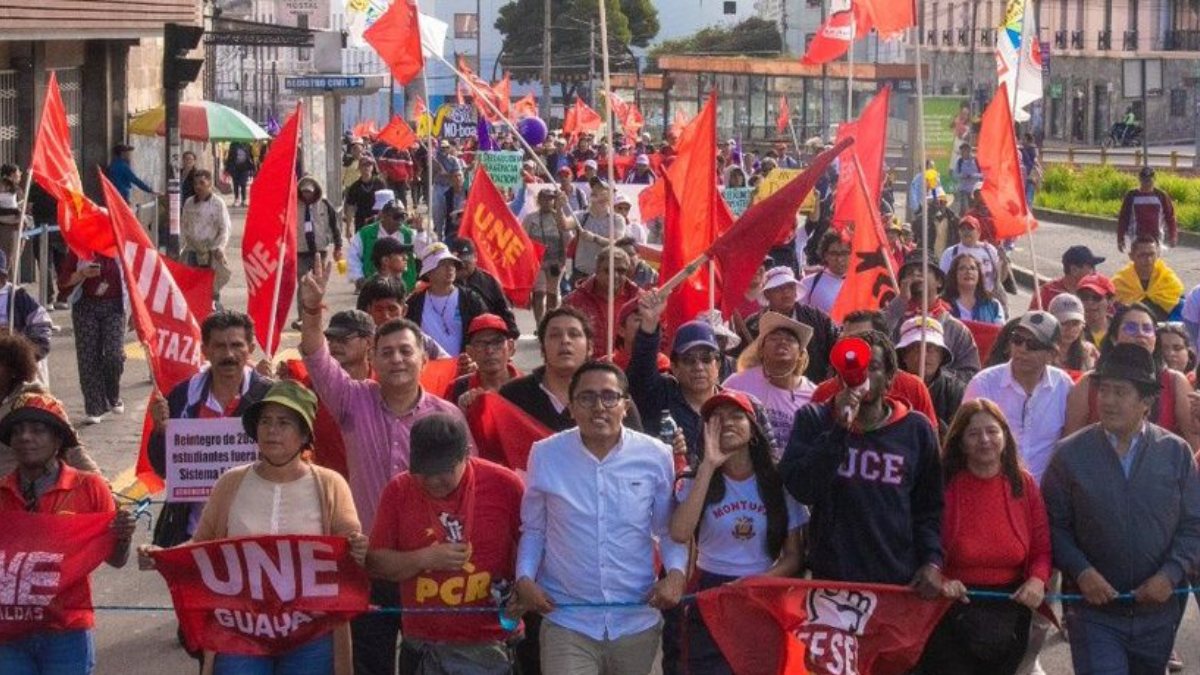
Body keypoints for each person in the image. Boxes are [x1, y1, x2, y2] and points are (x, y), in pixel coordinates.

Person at [298, 259, 471, 675]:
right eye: (387, 352)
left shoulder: (446, 417)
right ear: (373, 357)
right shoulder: (351, 400)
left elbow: (469, 484)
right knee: (371, 663)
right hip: (368, 562)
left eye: (405, 351)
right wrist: (311, 311)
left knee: (426, 662)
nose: (396, 359)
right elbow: (317, 357)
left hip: (432, 566)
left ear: (422, 360)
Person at [140, 380, 368, 675]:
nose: (272, 430)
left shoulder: (330, 485)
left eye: (284, 423)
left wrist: (358, 547)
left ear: (304, 436)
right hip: (239, 632)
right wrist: (162, 555)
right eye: (265, 421)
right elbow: (200, 547)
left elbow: (350, 550)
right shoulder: (230, 482)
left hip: (311, 632)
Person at [512, 361, 688, 674]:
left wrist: (676, 574)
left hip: (635, 619)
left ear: (625, 405)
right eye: (587, 398)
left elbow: (665, 528)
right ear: (571, 406)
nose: (599, 407)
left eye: (610, 397)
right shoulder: (545, 454)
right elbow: (535, 529)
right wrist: (524, 578)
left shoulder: (656, 455)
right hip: (567, 618)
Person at [1042, 342, 1200, 675]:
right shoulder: (1069, 455)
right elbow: (1052, 526)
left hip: (1157, 614)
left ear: (1146, 402)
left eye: (1120, 392)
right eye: (1104, 391)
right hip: (1093, 613)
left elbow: (1193, 525)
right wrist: (1082, 571)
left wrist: (1170, 575)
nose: (1108, 401)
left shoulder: (1176, 454)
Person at [780, 330, 945, 591]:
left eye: (874, 368)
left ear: (890, 379)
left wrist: (932, 562)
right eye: (854, 367)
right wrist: (839, 429)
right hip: (831, 578)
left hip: (895, 581)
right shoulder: (813, 420)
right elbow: (802, 489)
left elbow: (929, 508)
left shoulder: (916, 430)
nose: (862, 376)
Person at [369, 414, 524, 673]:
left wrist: (524, 586)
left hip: (494, 641)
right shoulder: (398, 489)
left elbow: (536, 547)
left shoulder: (505, 484)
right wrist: (423, 559)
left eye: (444, 472)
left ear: (466, 454)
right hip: (424, 646)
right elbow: (375, 563)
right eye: (423, 471)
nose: (432, 481)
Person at [669, 391, 806, 675]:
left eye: (736, 416)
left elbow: (794, 556)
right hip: (710, 590)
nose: (727, 423)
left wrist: (753, 583)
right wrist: (708, 465)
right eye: (717, 418)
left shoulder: (779, 484)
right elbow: (680, 533)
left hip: (762, 592)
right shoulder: (694, 481)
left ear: (754, 428)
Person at [0, 391, 137, 673]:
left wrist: (122, 536)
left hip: (66, 631)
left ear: (58, 441)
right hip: (7, 632)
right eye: (18, 431)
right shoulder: (1, 491)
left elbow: (116, 560)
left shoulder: (90, 488)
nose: (25, 437)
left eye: (37, 430)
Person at [920, 399, 1051, 675]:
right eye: (974, 433)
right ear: (961, 442)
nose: (984, 440)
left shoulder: (1024, 484)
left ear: (1005, 435)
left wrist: (1038, 580)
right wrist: (941, 580)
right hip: (951, 609)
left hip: (1010, 611)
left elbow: (1042, 548)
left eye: (992, 431)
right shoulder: (944, 485)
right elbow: (923, 542)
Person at [148, 311, 273, 548]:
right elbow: (162, 468)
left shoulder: (271, 396)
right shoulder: (182, 396)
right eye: (219, 346)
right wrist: (161, 432)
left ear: (251, 348)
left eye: (237, 345)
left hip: (256, 535)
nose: (228, 355)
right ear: (205, 350)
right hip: (194, 536)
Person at [1065, 303, 1199, 449]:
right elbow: (1070, 448)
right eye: (1131, 328)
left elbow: (1195, 447)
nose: (1140, 333)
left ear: (1155, 340)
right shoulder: (1089, 383)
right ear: (1114, 339)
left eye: (1147, 329)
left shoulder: (1175, 382)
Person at [962, 311, 1073, 482]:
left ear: (1051, 354)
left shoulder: (1064, 386)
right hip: (993, 489)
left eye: (1033, 344)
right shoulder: (983, 384)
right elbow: (965, 442)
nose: (1022, 349)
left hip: (1046, 496)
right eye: (1017, 340)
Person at [722, 312, 815, 454]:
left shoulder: (814, 396)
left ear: (801, 355)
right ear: (761, 350)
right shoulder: (737, 384)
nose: (782, 342)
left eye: (790, 339)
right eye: (774, 338)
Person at [884, 250, 983, 382]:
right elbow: (874, 344)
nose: (915, 275)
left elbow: (971, 375)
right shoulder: (893, 318)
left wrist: (934, 375)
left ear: (939, 282)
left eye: (922, 270)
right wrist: (899, 303)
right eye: (909, 273)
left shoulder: (956, 330)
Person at [58, 250, 126, 425]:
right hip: (85, 306)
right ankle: (94, 407)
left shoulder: (122, 246)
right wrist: (81, 274)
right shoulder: (78, 249)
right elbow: (63, 282)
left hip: (115, 307)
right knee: (88, 357)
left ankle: (112, 394)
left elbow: (136, 279)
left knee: (114, 355)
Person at [745, 266, 840, 382]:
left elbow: (837, 343)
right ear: (767, 294)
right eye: (779, 288)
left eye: (790, 287)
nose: (786, 293)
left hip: (812, 387)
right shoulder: (752, 324)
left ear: (796, 292)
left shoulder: (817, 318)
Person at [406, 243, 488, 357]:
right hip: (428, 370)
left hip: (463, 369)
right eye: (442, 264)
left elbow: (484, 332)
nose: (450, 268)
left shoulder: (470, 299)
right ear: (429, 272)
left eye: (452, 263)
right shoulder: (414, 303)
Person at [563, 246, 642, 359]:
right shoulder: (574, 302)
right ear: (597, 271)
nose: (614, 275)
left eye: (621, 271)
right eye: (608, 270)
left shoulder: (640, 300)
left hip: (629, 369)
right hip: (588, 369)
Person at [897, 316, 964, 436]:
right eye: (917, 347)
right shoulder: (890, 385)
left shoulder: (955, 390)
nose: (924, 354)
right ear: (903, 355)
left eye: (931, 348)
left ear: (941, 355)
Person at [293, 176, 344, 328]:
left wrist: (338, 246)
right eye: (304, 192)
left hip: (319, 251)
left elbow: (335, 226)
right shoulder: (294, 205)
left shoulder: (324, 204)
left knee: (316, 285)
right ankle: (302, 316)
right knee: (303, 284)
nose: (307, 195)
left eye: (310, 192)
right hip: (300, 251)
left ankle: (314, 314)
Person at [179, 168, 233, 307]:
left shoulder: (217, 203)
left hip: (211, 251)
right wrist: (182, 247)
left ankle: (214, 317)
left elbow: (225, 228)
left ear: (209, 184)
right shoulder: (189, 202)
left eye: (202, 183)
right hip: (192, 250)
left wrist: (220, 247)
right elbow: (184, 226)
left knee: (212, 290)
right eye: (196, 183)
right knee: (190, 287)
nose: (198, 186)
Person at [522, 187, 575, 323]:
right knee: (539, 293)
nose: (547, 201)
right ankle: (540, 325)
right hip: (537, 262)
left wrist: (562, 260)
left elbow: (569, 240)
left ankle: (549, 322)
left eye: (550, 199)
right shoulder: (530, 218)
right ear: (538, 200)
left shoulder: (559, 217)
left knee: (552, 294)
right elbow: (523, 240)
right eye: (544, 198)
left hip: (555, 262)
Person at [449, 238, 519, 337]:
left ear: (475, 257)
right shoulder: (445, 282)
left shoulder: (488, 281)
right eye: (458, 262)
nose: (463, 265)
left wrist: (511, 333)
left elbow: (504, 310)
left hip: (484, 339)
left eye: (466, 260)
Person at [447, 313, 520, 407]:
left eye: (497, 342)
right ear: (470, 352)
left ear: (510, 348)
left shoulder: (528, 387)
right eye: (481, 344)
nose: (490, 350)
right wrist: (460, 411)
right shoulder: (457, 389)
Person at [347, 196, 418, 292]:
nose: (400, 221)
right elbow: (353, 257)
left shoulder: (409, 234)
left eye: (403, 217)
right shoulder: (365, 234)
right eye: (396, 217)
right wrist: (358, 278)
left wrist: (421, 232)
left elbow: (423, 252)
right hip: (374, 289)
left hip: (405, 289)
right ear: (384, 215)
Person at [1113, 236, 1184, 322]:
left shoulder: (1168, 279)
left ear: (1157, 255)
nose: (1148, 260)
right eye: (1143, 255)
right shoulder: (1120, 282)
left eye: (1152, 254)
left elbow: (1181, 309)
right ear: (1131, 256)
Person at [0, 250, 53, 362]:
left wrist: (28, 351)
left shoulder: (18, 296)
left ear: (3, 276)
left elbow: (41, 323)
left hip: (12, 359)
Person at [571, 181, 627, 286]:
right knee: (578, 302)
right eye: (594, 191)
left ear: (608, 197)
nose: (595, 193)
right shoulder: (581, 215)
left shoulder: (617, 219)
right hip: (582, 272)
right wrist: (559, 208)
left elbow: (617, 243)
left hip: (606, 272)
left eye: (601, 191)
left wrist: (594, 238)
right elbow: (564, 225)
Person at [939, 215, 1005, 299]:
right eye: (963, 229)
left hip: (987, 299)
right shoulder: (950, 253)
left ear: (978, 232)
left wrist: (1004, 262)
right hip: (960, 300)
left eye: (970, 228)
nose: (966, 232)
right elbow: (943, 280)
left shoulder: (989, 250)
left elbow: (1000, 278)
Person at [1117, 166, 1177, 251]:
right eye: (1144, 181)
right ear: (1140, 180)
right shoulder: (1131, 195)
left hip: (1156, 239)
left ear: (1154, 180)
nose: (1147, 184)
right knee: (1140, 262)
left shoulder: (1161, 196)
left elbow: (1170, 217)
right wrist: (1120, 239)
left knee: (1154, 262)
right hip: (1136, 239)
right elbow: (1123, 218)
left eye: (1149, 181)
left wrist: (1173, 236)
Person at [1030, 245, 1104, 311]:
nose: (1094, 272)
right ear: (1074, 270)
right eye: (1091, 267)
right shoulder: (1048, 292)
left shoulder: (1096, 293)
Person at [941, 253, 1006, 325]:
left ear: (979, 275)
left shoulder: (994, 305)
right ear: (954, 274)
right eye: (962, 268)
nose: (968, 272)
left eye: (973, 268)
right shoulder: (942, 303)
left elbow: (1000, 332)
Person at [797, 230, 849, 317]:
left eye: (844, 253)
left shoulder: (862, 284)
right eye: (834, 253)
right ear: (825, 255)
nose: (839, 259)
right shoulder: (808, 283)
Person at [1049, 294, 1098, 373]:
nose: (1070, 329)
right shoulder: (1039, 350)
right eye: (1064, 323)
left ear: (1083, 325)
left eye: (1075, 323)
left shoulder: (1089, 352)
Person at [343, 158, 389, 235]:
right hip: (361, 220)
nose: (367, 168)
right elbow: (350, 207)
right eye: (364, 165)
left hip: (377, 219)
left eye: (369, 165)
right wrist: (348, 227)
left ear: (373, 167)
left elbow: (386, 203)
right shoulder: (355, 187)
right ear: (359, 168)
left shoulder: (379, 183)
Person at [1077, 273, 1117, 346]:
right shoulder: (1071, 331)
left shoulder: (1120, 329)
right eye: (1084, 297)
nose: (1090, 302)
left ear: (1110, 301)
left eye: (1096, 297)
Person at [950, 144, 983, 216]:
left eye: (966, 150)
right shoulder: (959, 162)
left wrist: (972, 175)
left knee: (973, 209)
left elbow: (983, 175)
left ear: (969, 151)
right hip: (963, 190)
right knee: (963, 209)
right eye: (962, 150)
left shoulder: (976, 161)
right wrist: (962, 175)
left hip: (974, 191)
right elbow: (954, 175)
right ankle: (962, 223)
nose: (964, 152)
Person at [223, 141, 255, 207]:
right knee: (236, 183)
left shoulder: (247, 144)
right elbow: (230, 156)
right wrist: (227, 168)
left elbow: (250, 156)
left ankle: (244, 200)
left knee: (243, 183)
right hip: (235, 167)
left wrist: (252, 168)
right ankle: (236, 199)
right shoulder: (233, 144)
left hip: (244, 167)